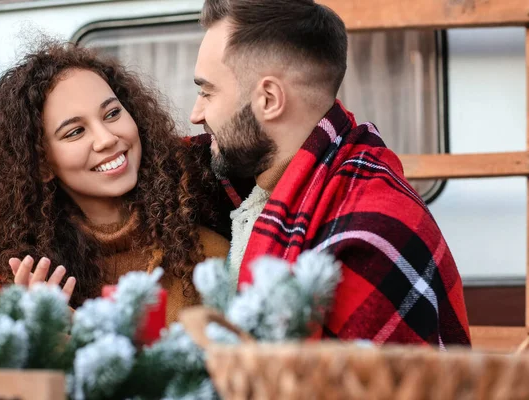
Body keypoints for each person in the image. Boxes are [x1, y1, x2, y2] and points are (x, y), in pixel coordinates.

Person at [190, 0, 470, 346]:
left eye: (206, 92)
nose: (196, 113)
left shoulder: (367, 240)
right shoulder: (276, 176)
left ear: (268, 100)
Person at [0, 41, 230, 345]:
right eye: (75, 131)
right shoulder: (15, 282)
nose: (106, 138)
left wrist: (86, 336)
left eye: (113, 113)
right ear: (42, 164)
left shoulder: (206, 256)